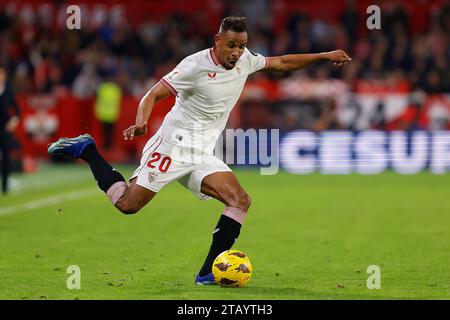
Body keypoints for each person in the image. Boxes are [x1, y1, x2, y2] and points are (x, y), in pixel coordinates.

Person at [48, 17, 351, 284]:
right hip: (173, 146)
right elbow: (153, 94)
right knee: (128, 204)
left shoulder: (245, 60)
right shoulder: (194, 65)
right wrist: (140, 122)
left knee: (240, 200)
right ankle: (88, 150)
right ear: (217, 41)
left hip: (202, 151)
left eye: (241, 46)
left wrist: (324, 56)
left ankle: (208, 272)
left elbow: (282, 63)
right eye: (231, 45)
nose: (236, 53)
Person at [0, 66, 20, 195]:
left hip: (4, 130)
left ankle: (5, 187)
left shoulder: (8, 91)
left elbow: (17, 110)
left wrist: (13, 122)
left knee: (6, 158)